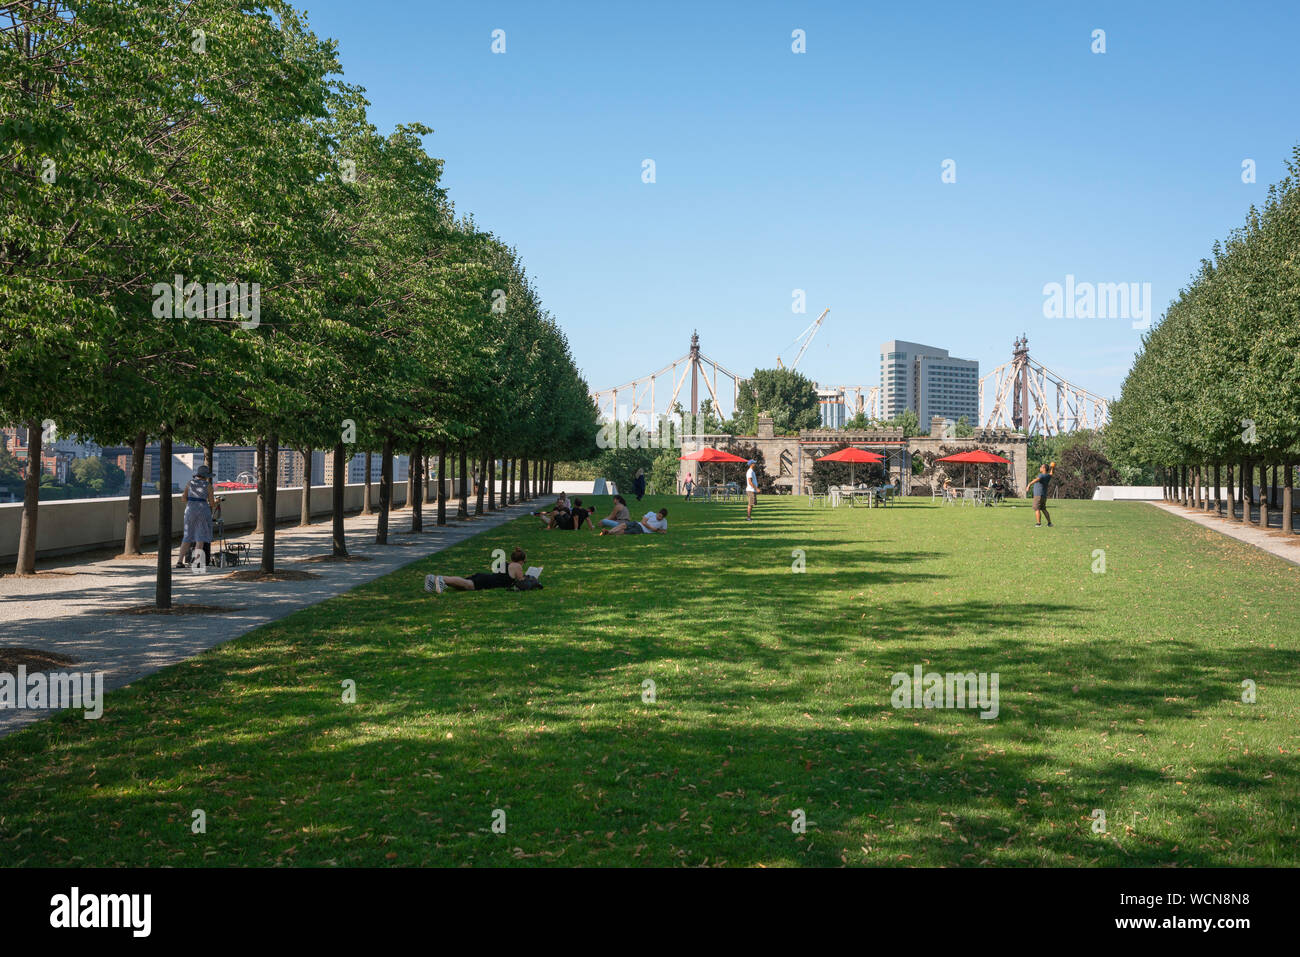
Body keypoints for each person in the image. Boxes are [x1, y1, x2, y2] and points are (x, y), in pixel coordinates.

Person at [426, 547, 527, 594]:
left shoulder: (505, 563)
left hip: (486, 578)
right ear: (521, 561)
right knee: (466, 584)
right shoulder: (517, 566)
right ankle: (441, 578)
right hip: (487, 582)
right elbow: (521, 581)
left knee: (462, 585)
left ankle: (433, 578)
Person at [176, 464, 216, 568]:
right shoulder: (208, 485)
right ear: (206, 476)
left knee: (187, 536)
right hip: (203, 511)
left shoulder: (190, 483)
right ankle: (197, 562)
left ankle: (179, 561)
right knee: (200, 537)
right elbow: (211, 503)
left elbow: (183, 498)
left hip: (190, 511)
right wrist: (217, 501)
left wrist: (192, 501)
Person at [1025, 463, 1055, 527]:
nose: (1040, 468)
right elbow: (1051, 473)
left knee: (1037, 509)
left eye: (1041, 467)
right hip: (1043, 495)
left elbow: (1036, 480)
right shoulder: (1048, 476)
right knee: (1043, 509)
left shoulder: (1041, 475)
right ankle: (1049, 523)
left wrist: (1029, 485)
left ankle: (1038, 523)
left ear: (1044, 468)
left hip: (1038, 495)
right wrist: (1052, 467)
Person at [601, 507, 668, 535]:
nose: (659, 518)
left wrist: (658, 530)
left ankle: (608, 532)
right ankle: (609, 531)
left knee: (624, 532)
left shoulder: (664, 522)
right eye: (659, 515)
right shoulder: (651, 513)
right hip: (638, 524)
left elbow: (664, 531)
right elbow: (643, 522)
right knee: (623, 525)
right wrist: (653, 529)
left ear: (663, 517)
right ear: (658, 513)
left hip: (641, 530)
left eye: (661, 517)